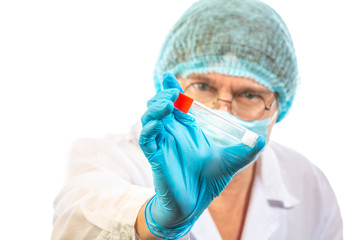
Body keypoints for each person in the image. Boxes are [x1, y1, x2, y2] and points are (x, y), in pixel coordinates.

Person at [52, 0, 343, 239]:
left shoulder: (309, 184)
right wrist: (153, 220)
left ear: (280, 105)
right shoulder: (107, 158)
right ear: (170, 86)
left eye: (250, 95)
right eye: (203, 87)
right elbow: (78, 223)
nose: (223, 111)